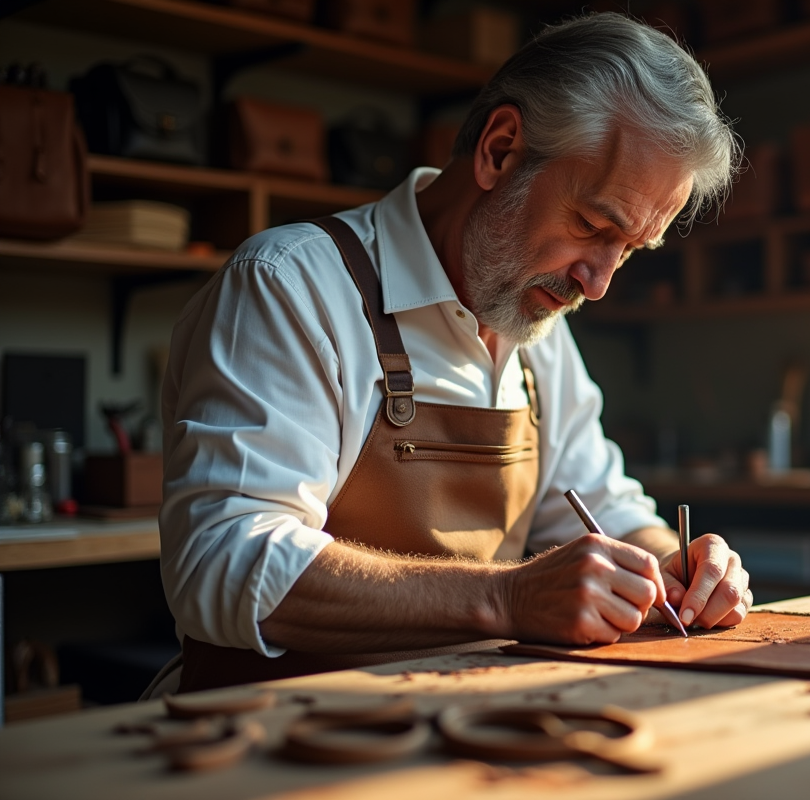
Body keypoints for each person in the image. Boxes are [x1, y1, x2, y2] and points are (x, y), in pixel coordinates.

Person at [158, 12, 751, 693]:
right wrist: (507, 599)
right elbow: (222, 562)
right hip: (266, 748)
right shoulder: (291, 285)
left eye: (629, 251)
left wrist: (675, 568)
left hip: (459, 730)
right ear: (500, 150)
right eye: (592, 226)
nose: (599, 283)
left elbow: (606, 512)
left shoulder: (537, 333)